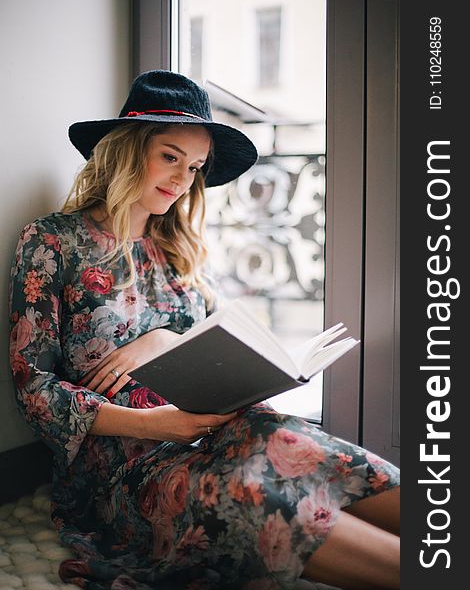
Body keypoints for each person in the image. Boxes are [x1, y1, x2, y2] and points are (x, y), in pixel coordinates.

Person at [9, 70, 400, 590]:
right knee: (244, 494)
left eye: (194, 167)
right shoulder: (53, 241)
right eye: (170, 156)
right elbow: (31, 387)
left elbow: (214, 343)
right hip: (128, 459)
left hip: (217, 424)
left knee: (298, 445)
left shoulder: (175, 250)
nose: (182, 179)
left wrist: (160, 341)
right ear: (126, 151)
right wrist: (158, 426)